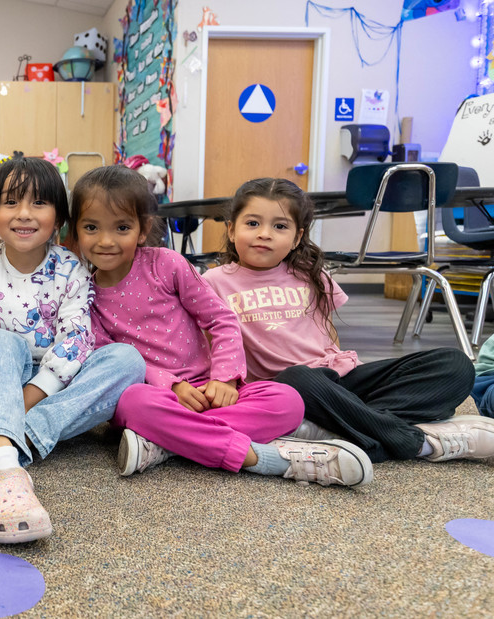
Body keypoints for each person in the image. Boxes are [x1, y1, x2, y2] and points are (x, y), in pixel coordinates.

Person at [70, 166, 371, 488]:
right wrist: (172, 386)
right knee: (131, 403)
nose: (105, 241)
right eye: (91, 227)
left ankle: (168, 442)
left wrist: (224, 379)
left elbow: (220, 319)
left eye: (121, 228)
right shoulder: (82, 293)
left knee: (288, 399)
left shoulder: (167, 264)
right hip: (158, 394)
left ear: (142, 230)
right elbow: (109, 358)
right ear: (75, 231)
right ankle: (259, 458)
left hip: (213, 388)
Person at [203, 177, 494, 465]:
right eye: (252, 223)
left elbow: (327, 332)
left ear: (296, 238)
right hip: (284, 390)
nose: (264, 234)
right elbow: (211, 344)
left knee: (457, 366)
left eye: (279, 226)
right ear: (231, 230)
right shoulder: (213, 282)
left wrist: (339, 384)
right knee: (299, 377)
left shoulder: (309, 272)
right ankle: (404, 438)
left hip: (341, 380)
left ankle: (345, 427)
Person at [0, 156, 145, 544]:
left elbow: (76, 338)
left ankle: (6, 438)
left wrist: (28, 399)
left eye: (38, 203)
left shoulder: (72, 271)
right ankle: (0, 469)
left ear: (59, 218)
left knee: (126, 360)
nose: (24, 214)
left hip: (51, 384)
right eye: (11, 203)